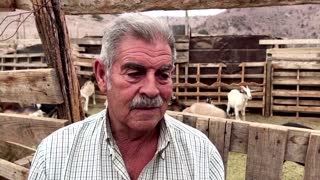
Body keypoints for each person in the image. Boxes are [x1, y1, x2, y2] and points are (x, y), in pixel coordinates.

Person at [28, 13, 224, 180]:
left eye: (163, 75)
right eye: (134, 73)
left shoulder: (202, 157)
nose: (151, 90)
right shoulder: (54, 156)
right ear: (102, 75)